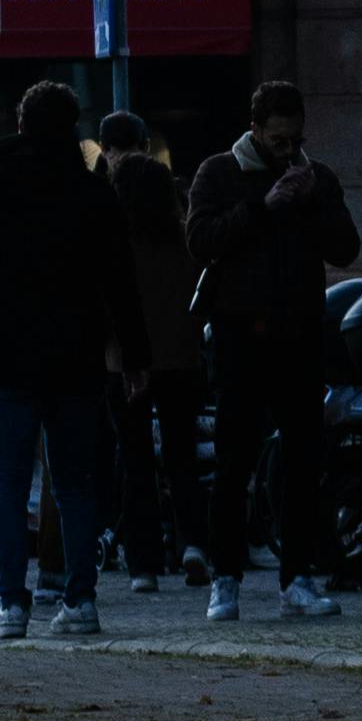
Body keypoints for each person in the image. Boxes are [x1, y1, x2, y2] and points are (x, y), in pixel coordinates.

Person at [182, 74, 360, 626]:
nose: (288, 151)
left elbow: (346, 248)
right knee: (233, 462)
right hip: (239, 334)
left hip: (299, 335)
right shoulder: (218, 173)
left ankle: (297, 579)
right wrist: (262, 206)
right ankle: (226, 579)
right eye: (278, 140)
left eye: (296, 140)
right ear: (256, 130)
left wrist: (311, 202)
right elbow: (200, 241)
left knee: (303, 461)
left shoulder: (317, 178)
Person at [0, 74, 118, 638]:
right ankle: (80, 599)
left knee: (9, 484)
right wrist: (132, 356)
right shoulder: (93, 193)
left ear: (20, 125)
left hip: (8, 356)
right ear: (72, 129)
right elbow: (120, 282)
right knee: (75, 485)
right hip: (77, 359)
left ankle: (11, 605)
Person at [93, 112, 204, 572]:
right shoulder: (182, 239)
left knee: (134, 457)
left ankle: (143, 561)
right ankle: (193, 542)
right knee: (182, 454)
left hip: (123, 361)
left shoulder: (113, 241)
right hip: (180, 358)